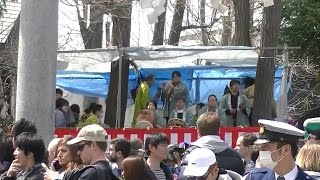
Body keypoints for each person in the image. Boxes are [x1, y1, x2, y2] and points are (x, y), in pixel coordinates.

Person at [179, 113, 244, 178]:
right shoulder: (235, 156)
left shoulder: (190, 154)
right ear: (219, 130)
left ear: (198, 131)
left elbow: (183, 177)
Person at [245, 119, 315, 180]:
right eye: (261, 146)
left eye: (265, 146)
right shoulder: (254, 177)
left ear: (286, 150)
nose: (261, 151)